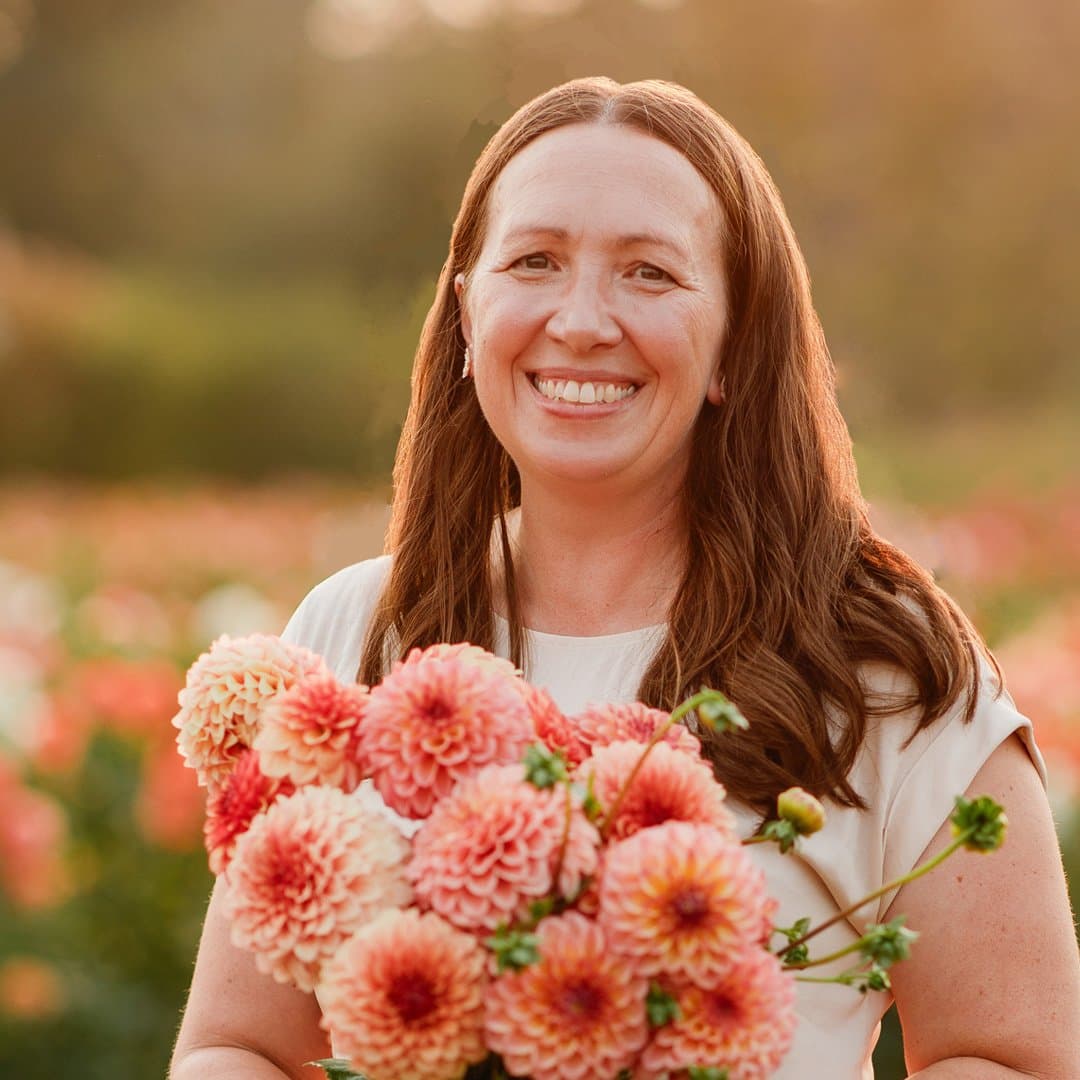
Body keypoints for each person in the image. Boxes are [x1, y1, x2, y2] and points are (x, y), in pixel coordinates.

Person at [169, 77, 1080, 1079]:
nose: (583, 320)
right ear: (468, 314)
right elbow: (237, 1046)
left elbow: (1013, 1058)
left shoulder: (887, 662)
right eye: (535, 261)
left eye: (649, 273)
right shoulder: (353, 628)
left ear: (738, 338)